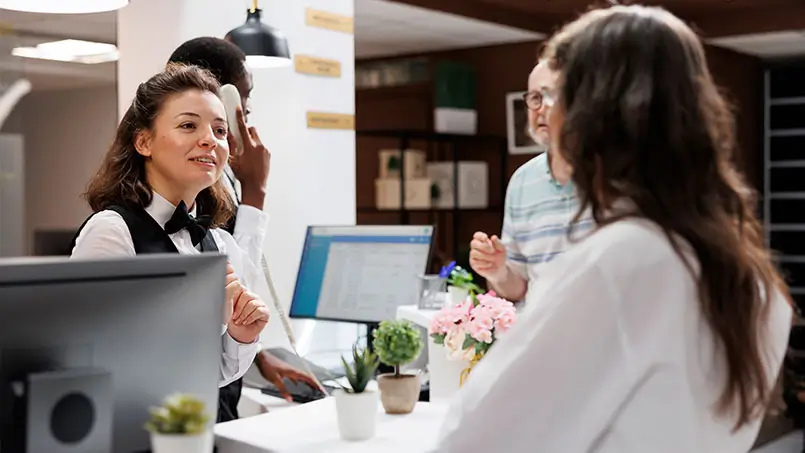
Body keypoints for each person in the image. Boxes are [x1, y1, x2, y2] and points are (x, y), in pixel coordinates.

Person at [433, 5, 793, 452]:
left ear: (593, 117)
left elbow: (472, 441)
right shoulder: (750, 274)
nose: (546, 115)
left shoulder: (619, 261)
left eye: (560, 96)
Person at [70, 64, 271, 422]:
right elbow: (97, 364)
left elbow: (216, 375)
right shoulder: (111, 232)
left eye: (220, 130)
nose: (210, 139)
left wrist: (241, 336)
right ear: (143, 141)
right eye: (188, 125)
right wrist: (210, 318)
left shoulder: (218, 243)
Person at [168, 37, 322, 411]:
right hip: (188, 400)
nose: (248, 109)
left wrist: (259, 358)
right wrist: (256, 190)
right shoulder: (190, 190)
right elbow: (239, 287)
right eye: (244, 97)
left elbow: (228, 305)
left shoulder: (212, 183)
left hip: (214, 380)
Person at [468, 59, 592, 302]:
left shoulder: (617, 176)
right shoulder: (522, 182)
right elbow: (518, 290)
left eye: (550, 95)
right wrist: (498, 271)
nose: (540, 109)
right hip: (544, 335)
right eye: (534, 98)